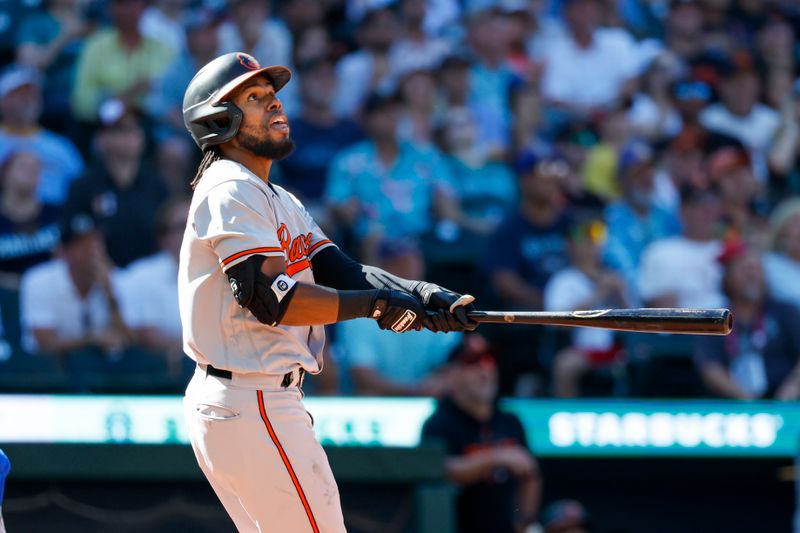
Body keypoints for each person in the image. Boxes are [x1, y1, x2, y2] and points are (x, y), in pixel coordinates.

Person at [179, 52, 477, 532]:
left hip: (254, 398)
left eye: (273, 96)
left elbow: (339, 271)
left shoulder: (278, 197)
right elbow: (271, 299)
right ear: (220, 120)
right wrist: (377, 307)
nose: (275, 106)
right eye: (255, 98)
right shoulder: (229, 187)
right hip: (250, 396)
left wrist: (421, 295)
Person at [421, 333, 541, 533]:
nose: (485, 369)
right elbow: (440, 470)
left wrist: (526, 521)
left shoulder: (510, 421)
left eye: (489, 360)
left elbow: (530, 472)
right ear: (451, 374)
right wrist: (497, 457)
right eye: (473, 362)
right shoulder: (438, 423)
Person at [335, 238, 462, 396]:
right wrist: (414, 390)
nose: (409, 267)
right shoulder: (359, 311)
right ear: (383, 267)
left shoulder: (438, 305)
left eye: (414, 259)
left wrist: (436, 383)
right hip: (374, 407)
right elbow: (363, 376)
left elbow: (455, 364)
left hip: (429, 402)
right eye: (399, 262)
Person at [62, 101, 168, 267]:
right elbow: (73, 238)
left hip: (150, 278)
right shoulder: (84, 187)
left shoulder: (156, 184)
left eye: (136, 127)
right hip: (99, 279)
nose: (132, 134)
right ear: (103, 138)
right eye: (122, 129)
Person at [694, 241, 800, 400]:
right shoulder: (714, 318)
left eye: (756, 269)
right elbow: (709, 367)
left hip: (785, 405)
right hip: (731, 408)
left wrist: (792, 388)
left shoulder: (786, 312)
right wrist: (745, 401)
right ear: (727, 277)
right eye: (744, 269)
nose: (751, 275)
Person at [544, 219, 630, 397]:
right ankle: (567, 414)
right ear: (570, 245)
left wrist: (620, 295)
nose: (592, 242)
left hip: (615, 349)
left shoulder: (614, 277)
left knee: (642, 360)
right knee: (565, 365)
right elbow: (555, 321)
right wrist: (598, 294)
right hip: (580, 349)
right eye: (584, 236)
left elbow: (637, 318)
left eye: (597, 235)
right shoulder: (563, 280)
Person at [117, 198, 189, 379]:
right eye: (183, 226)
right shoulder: (141, 276)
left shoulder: (222, 275)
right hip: (149, 376)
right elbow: (145, 335)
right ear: (164, 239)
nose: (193, 232)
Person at [70, 0, 173, 123]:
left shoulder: (163, 49)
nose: (127, 10)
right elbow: (83, 104)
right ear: (110, 8)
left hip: (151, 123)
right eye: (121, 3)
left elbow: (171, 99)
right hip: (104, 123)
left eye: (133, 3)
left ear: (145, 7)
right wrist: (130, 93)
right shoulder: (95, 47)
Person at [0, 64, 84, 206]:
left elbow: (82, 194)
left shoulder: (61, 147)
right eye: (19, 93)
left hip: (56, 223)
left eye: (33, 93)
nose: (28, 99)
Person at [0, 151, 61, 289]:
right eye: (23, 167)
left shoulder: (57, 213)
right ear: (4, 173)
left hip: (49, 292)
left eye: (35, 168)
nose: (30, 172)